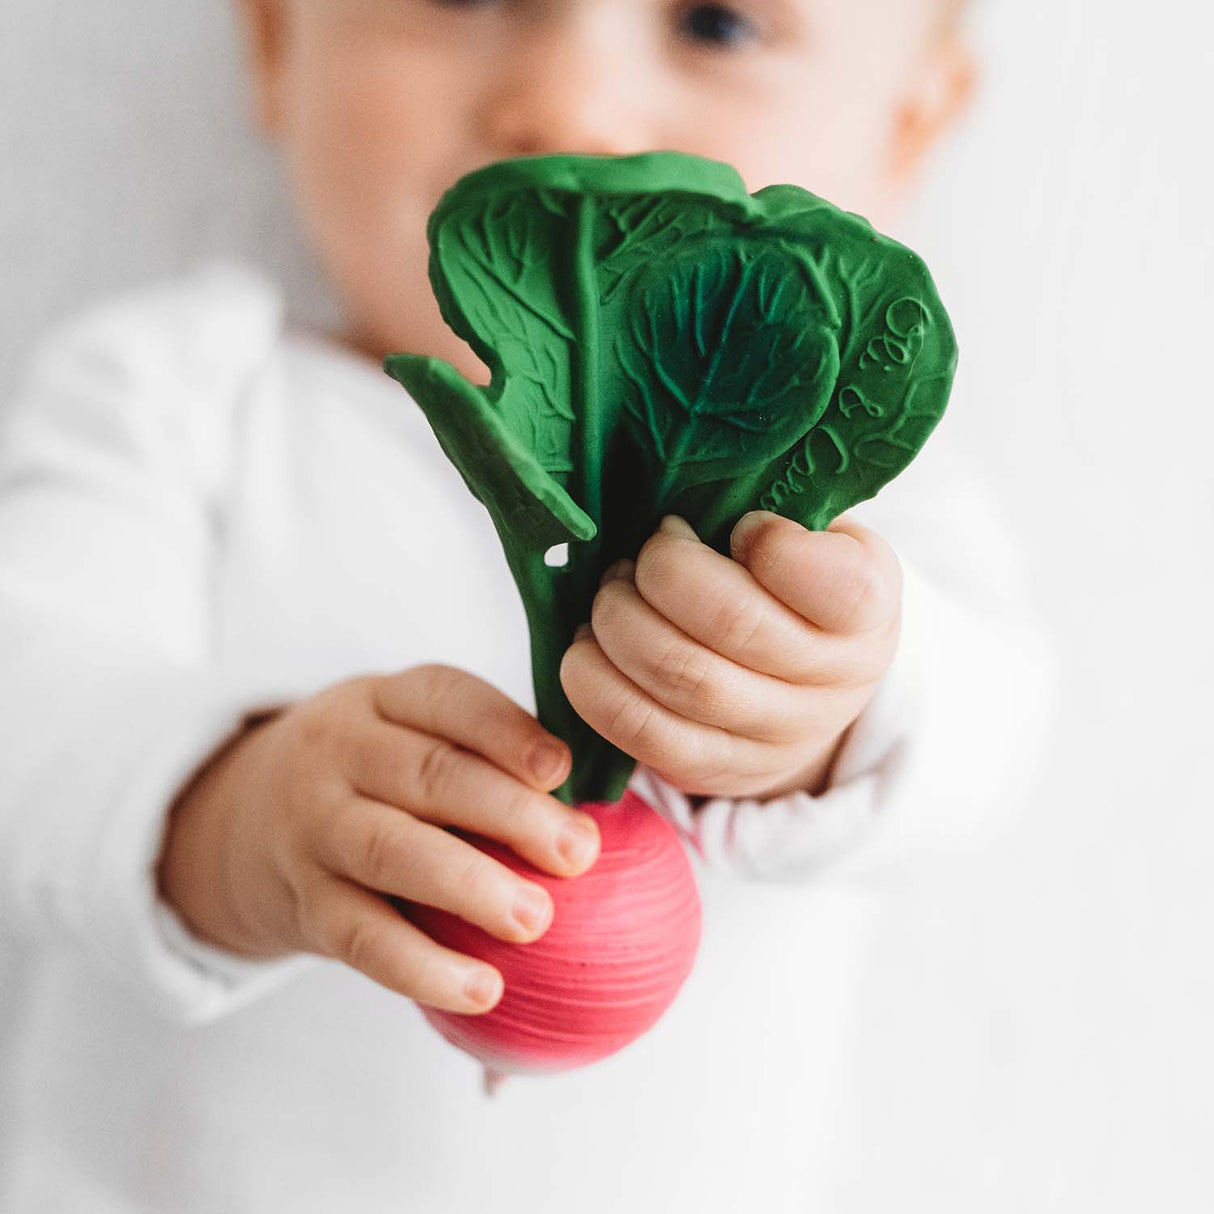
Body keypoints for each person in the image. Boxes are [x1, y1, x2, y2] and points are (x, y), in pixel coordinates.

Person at [0, 1, 1056, 1210]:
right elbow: (26, 709)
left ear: (908, 128)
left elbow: (997, 733)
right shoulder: (181, 395)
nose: (568, 108)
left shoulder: (845, 495)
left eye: (715, 24)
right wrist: (237, 818)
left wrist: (843, 698)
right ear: (278, 46)